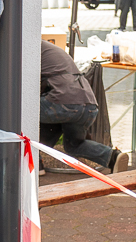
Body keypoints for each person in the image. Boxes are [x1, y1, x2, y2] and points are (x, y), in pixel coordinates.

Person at [39, 40, 130, 172]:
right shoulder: (48, 49)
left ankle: (34, 162)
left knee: (21, 110)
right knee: (74, 145)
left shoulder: (27, 47)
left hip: (62, 103)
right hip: (88, 104)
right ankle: (113, 157)